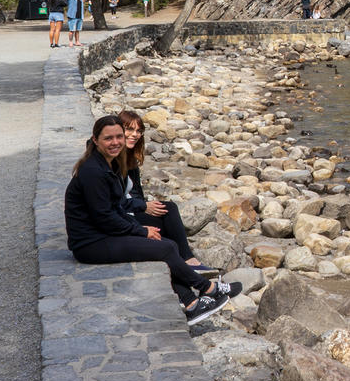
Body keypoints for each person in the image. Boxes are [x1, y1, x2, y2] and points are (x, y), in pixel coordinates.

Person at [64, 115, 242, 325]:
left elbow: (116, 207)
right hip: (90, 244)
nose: (116, 142)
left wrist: (139, 227)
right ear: (95, 140)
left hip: (102, 234)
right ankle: (206, 289)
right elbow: (105, 217)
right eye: (108, 138)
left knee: (165, 245)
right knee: (165, 248)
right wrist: (140, 231)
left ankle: (193, 303)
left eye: (119, 137)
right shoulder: (94, 171)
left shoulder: (107, 164)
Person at [118, 110, 214, 274]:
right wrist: (142, 207)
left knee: (167, 212)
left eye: (138, 131)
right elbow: (113, 200)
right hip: (120, 215)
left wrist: (144, 206)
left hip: (130, 209)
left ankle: (185, 261)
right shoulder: (111, 159)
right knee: (169, 214)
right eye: (129, 130)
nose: (135, 135)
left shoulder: (130, 157)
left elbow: (136, 193)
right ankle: (188, 261)